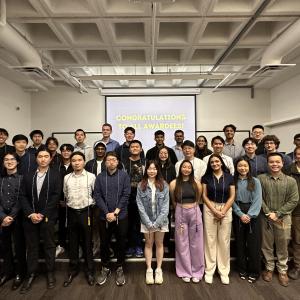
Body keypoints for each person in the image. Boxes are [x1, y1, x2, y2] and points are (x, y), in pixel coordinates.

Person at [20, 148, 62, 294]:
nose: (43, 159)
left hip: (48, 217)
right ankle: (31, 273)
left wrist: (42, 214)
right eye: (40, 156)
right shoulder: (27, 175)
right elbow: (23, 196)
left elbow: (56, 197)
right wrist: (31, 214)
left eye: (46, 156)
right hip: (30, 218)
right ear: (36, 159)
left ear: (50, 159)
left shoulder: (56, 175)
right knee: (32, 247)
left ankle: (50, 272)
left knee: (49, 246)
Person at [258, 152, 298, 287]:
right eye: (271, 162)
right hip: (265, 217)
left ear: (282, 163)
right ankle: (269, 268)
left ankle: (282, 270)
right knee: (266, 244)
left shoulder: (290, 181)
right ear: (267, 164)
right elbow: (258, 198)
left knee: (283, 245)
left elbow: (294, 200)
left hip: (284, 219)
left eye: (277, 162)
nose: (274, 164)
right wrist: (269, 212)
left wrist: (278, 213)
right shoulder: (260, 179)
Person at [94, 151, 131, 286]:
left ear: (117, 162)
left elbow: (126, 194)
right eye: (108, 160)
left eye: (113, 160)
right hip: (104, 217)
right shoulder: (100, 177)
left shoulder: (124, 175)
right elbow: (97, 196)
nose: (111, 162)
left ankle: (120, 267)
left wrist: (115, 212)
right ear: (105, 162)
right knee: (104, 242)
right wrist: (107, 212)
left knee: (121, 242)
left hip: (121, 216)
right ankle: (105, 267)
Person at [62, 152, 96, 287]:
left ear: (84, 161)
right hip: (71, 212)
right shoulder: (66, 178)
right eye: (74, 160)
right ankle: (73, 270)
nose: (76, 163)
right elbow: (65, 193)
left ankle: (90, 271)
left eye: (79, 160)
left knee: (88, 243)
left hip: (86, 212)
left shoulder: (91, 177)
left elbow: (95, 194)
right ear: (71, 162)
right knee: (73, 243)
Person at [201, 154, 235, 285]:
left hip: (226, 208)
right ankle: (209, 270)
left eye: (217, 161)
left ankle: (223, 271)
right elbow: (204, 196)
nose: (214, 164)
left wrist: (223, 210)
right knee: (210, 240)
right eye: (212, 162)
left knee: (224, 240)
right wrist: (214, 210)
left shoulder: (230, 177)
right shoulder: (206, 177)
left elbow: (232, 196)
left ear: (221, 162)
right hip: (210, 208)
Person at [169, 160, 204, 283]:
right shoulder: (173, 183)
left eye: (189, 167)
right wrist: (179, 209)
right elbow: (173, 200)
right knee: (181, 242)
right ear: (180, 168)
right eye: (184, 167)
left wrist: (192, 208)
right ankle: (185, 271)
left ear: (192, 169)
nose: (186, 169)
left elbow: (199, 199)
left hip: (194, 212)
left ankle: (197, 272)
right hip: (180, 212)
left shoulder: (197, 183)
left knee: (197, 243)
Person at [136, 160, 169, 285]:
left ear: (157, 170)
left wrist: (157, 222)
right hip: (146, 221)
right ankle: (149, 269)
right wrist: (148, 222)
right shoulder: (141, 185)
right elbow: (140, 205)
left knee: (159, 244)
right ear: (146, 170)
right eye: (149, 169)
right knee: (149, 244)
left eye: (154, 169)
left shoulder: (164, 185)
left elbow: (166, 206)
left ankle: (159, 269)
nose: (152, 171)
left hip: (161, 221)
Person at [232, 158, 262, 283]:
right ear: (236, 167)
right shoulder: (232, 181)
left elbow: (258, 199)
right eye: (240, 166)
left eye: (245, 166)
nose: (242, 168)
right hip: (238, 212)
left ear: (249, 167)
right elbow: (231, 199)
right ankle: (242, 268)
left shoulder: (255, 181)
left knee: (253, 244)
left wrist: (249, 215)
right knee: (239, 242)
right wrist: (240, 214)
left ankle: (254, 271)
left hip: (252, 214)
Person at [0, 152, 26, 290]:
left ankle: (20, 274)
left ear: (17, 162)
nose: (9, 161)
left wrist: (12, 216)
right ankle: (7, 272)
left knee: (19, 247)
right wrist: (3, 216)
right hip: (2, 219)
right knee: (5, 247)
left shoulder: (23, 179)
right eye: (6, 160)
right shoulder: (1, 180)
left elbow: (22, 199)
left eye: (12, 159)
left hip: (19, 219)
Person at [123, 140, 145, 258]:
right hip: (127, 197)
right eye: (133, 146)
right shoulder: (123, 163)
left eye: (137, 146)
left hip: (142, 197)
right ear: (129, 149)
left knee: (139, 223)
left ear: (141, 149)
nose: (135, 148)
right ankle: (130, 246)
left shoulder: (145, 163)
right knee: (129, 223)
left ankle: (138, 246)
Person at [55, 143, 74, 258]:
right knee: (61, 224)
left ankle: (75, 246)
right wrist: (59, 200)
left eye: (68, 150)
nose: (66, 152)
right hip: (60, 201)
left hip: (74, 202)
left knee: (73, 225)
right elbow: (54, 184)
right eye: (63, 150)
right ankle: (61, 245)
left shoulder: (76, 165)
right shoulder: (56, 165)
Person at [286, 146, 300, 280]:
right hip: (295, 211)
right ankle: (297, 266)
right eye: (298, 154)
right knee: (297, 240)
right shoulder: (289, 170)